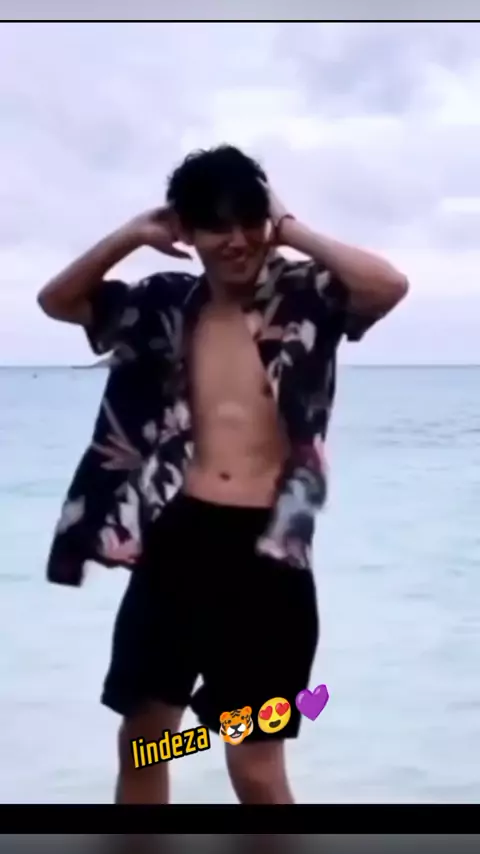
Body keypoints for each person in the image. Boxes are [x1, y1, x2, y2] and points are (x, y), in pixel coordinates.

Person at [38, 145, 408, 805]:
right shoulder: (162, 303)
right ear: (187, 230)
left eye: (248, 221)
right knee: (144, 740)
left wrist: (290, 228)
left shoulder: (306, 296)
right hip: (176, 544)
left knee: (254, 760)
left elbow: (388, 286)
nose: (236, 241)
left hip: (268, 556)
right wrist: (131, 234)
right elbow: (57, 301)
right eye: (216, 225)